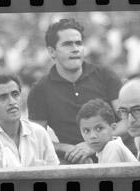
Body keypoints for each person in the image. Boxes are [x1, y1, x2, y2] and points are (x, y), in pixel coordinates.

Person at [27, 18, 122, 164]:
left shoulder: (105, 75)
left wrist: (94, 145)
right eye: (67, 44)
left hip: (113, 153)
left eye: (78, 43)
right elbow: (37, 140)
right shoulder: (40, 89)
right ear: (52, 52)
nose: (75, 48)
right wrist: (66, 148)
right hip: (72, 159)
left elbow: (128, 122)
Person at [0, 74, 59, 169]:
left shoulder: (39, 133)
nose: (12, 102)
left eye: (15, 94)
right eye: (3, 97)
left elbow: (55, 176)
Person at [76, 98, 137, 163]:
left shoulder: (112, 148)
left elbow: (112, 173)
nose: (92, 136)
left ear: (113, 128)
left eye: (99, 129)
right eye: (86, 131)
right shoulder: (105, 149)